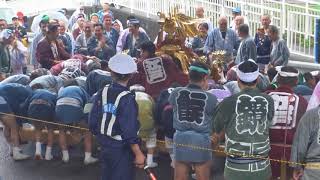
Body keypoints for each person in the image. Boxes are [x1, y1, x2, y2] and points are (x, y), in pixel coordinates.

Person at [213, 60, 275, 180]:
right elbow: (270, 123)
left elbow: (216, 128)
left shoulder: (227, 102)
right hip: (262, 169)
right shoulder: (269, 100)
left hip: (234, 169)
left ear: (238, 79)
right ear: (257, 80)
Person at [89, 54, 145, 180]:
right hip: (121, 149)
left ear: (111, 72)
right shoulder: (127, 98)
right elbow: (129, 129)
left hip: (103, 144)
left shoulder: (103, 90)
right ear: (131, 75)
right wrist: (138, 153)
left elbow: (93, 118)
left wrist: (99, 134)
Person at [169, 61, 217, 180]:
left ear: (189, 76)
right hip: (201, 141)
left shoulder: (175, 93)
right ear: (205, 78)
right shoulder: (211, 98)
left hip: (180, 139)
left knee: (180, 176)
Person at [265, 66, 308, 179]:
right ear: (296, 81)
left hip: (265, 153)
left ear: (277, 79)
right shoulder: (302, 102)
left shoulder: (265, 96)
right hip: (291, 156)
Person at [55, 80, 98, 164]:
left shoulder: (62, 90)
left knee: (62, 130)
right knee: (87, 130)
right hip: (75, 107)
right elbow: (87, 104)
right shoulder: (80, 89)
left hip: (59, 109)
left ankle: (65, 156)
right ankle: (88, 157)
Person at [0, 83, 32, 160]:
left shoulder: (21, 88)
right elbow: (19, 108)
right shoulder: (29, 94)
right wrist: (23, 122)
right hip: (2, 103)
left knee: (7, 126)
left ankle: (12, 149)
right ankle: (16, 153)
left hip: (2, 101)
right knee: (14, 127)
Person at [26, 85, 57, 160]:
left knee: (38, 129)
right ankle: (48, 154)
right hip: (47, 108)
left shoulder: (34, 92)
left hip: (32, 109)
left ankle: (38, 151)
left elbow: (26, 104)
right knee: (50, 129)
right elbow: (56, 107)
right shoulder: (53, 94)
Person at [130, 85, 158, 168]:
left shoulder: (129, 97)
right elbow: (154, 111)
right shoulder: (148, 97)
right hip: (147, 126)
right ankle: (150, 162)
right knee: (151, 138)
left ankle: (134, 158)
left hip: (133, 127)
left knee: (132, 139)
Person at [290, 105, 320, 180]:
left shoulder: (310, 115)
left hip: (314, 170)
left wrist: (297, 166)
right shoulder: (311, 115)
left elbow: (301, 146)